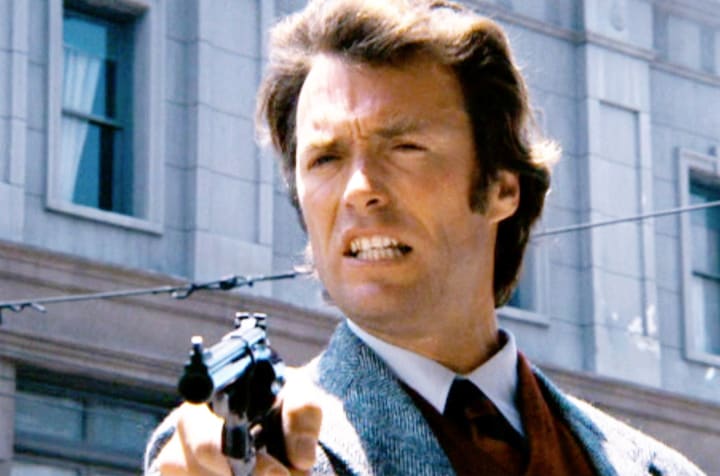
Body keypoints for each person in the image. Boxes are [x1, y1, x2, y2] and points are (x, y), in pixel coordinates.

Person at [145, 1, 705, 475]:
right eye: (325, 159)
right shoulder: (260, 448)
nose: (358, 190)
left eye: (405, 147)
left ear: (501, 187)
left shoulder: (659, 468)